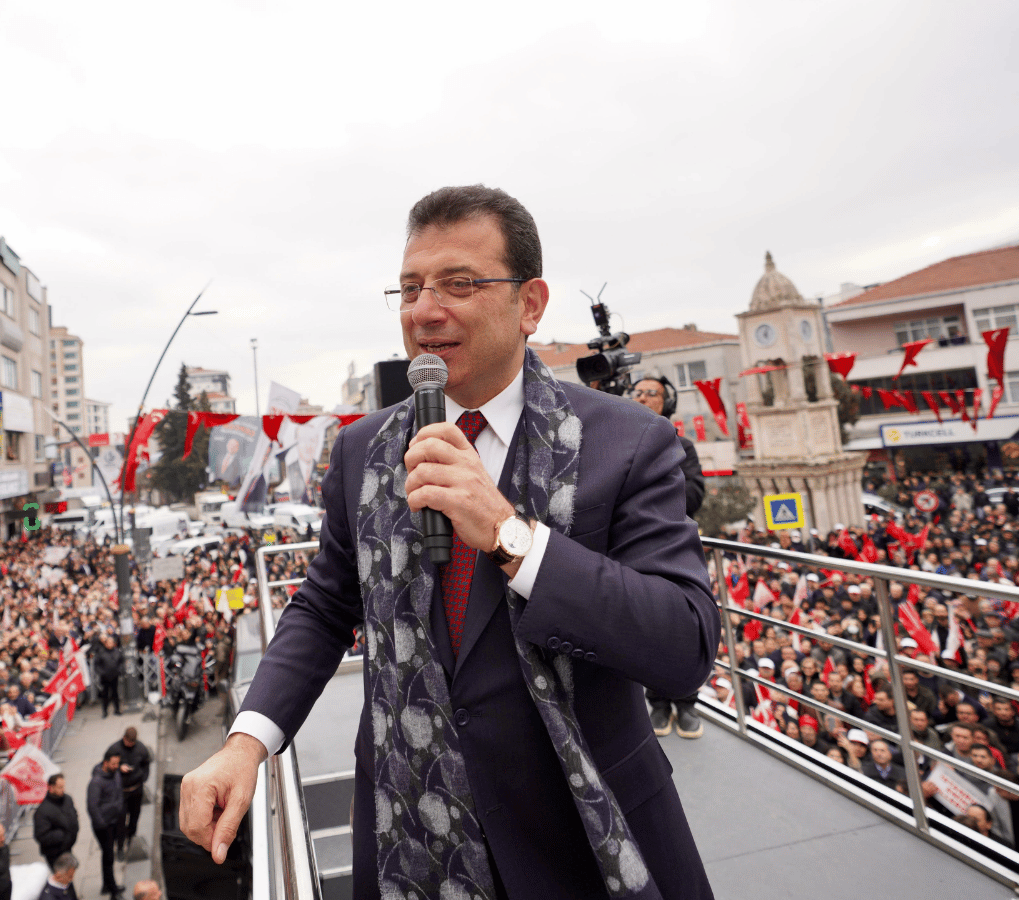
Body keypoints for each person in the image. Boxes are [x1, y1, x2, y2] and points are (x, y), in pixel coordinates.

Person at [181, 185, 719, 899]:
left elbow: (684, 646)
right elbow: (321, 607)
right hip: (409, 834)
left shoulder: (628, 443)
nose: (424, 310)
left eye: (459, 284)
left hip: (585, 838)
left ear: (530, 304)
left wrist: (512, 538)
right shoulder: (362, 450)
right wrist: (246, 743)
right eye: (409, 288)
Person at [631, 373, 707, 740]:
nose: (643, 398)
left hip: (674, 553)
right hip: (632, 555)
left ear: (667, 403)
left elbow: (693, 495)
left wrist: (650, 500)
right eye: (638, 392)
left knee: (680, 627)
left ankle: (687, 703)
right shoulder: (618, 442)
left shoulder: (682, 446)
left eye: (652, 394)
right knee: (646, 628)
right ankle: (657, 702)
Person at [105, 727, 153, 855]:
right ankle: (120, 847)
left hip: (136, 790)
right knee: (120, 821)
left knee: (134, 818)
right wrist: (119, 767)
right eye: (128, 742)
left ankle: (131, 843)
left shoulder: (141, 748)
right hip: (121, 792)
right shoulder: (114, 749)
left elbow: (146, 763)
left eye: (133, 743)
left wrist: (144, 777)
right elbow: (106, 766)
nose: (130, 745)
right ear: (124, 738)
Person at [88, 751, 126, 900]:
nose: (116, 766)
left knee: (107, 855)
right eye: (113, 763)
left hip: (114, 820)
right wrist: (103, 824)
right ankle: (113, 891)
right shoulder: (96, 782)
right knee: (109, 857)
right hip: (104, 825)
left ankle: (106, 885)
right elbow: (92, 807)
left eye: (117, 763)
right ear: (105, 763)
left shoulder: (115, 773)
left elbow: (118, 792)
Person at [33, 773, 80, 868]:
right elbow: (41, 836)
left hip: (67, 847)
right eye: (60, 787)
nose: (63, 789)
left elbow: (73, 814)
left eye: (63, 786)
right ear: (51, 788)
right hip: (54, 853)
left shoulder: (67, 799)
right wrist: (62, 835)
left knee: (69, 877)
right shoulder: (42, 811)